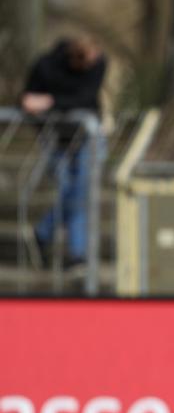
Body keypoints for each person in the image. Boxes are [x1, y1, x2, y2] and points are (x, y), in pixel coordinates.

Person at [21, 36, 106, 268]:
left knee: (79, 192)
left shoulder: (99, 62)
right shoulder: (46, 66)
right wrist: (54, 106)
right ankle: (69, 251)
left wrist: (50, 101)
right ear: (73, 60)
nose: (94, 63)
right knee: (71, 190)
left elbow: (86, 98)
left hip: (89, 136)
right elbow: (28, 101)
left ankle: (54, 240)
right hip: (56, 138)